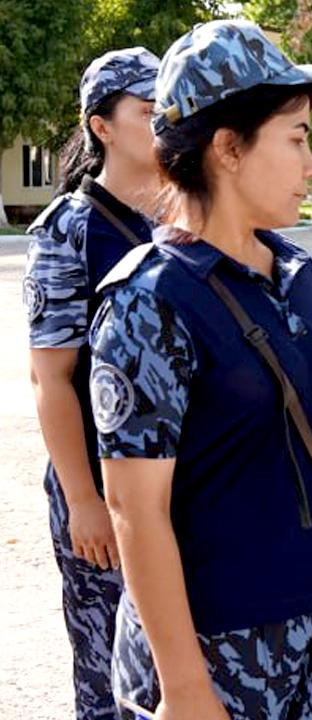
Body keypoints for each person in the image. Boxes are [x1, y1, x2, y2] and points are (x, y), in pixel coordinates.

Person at [89, 20, 312, 719]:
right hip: (216, 650)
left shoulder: (297, 272)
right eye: (295, 140)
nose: (311, 167)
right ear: (228, 148)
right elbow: (135, 509)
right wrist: (184, 689)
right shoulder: (151, 301)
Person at [23, 46, 160, 720]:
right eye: (148, 110)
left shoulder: (189, 216)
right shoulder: (70, 231)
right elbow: (52, 377)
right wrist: (83, 500)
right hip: (104, 494)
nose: (166, 122)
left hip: (180, 485)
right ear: (102, 126)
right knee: (109, 675)